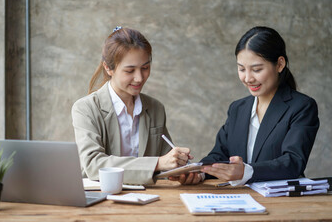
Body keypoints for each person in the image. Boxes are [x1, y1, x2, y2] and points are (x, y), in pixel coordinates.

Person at [172, 26, 319, 185]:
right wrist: (199, 173)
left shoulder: (302, 107)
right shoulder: (237, 108)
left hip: (281, 201)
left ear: (280, 64)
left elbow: (293, 162)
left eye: (256, 69)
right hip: (241, 200)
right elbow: (219, 155)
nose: (248, 78)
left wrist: (247, 171)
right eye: (241, 69)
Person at [71, 26, 192, 185]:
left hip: (149, 199)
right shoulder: (85, 109)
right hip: (101, 198)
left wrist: (182, 169)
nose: (139, 78)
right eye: (130, 71)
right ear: (108, 68)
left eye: (145, 68)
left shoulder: (156, 108)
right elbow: (93, 165)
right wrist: (158, 163)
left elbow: (167, 160)